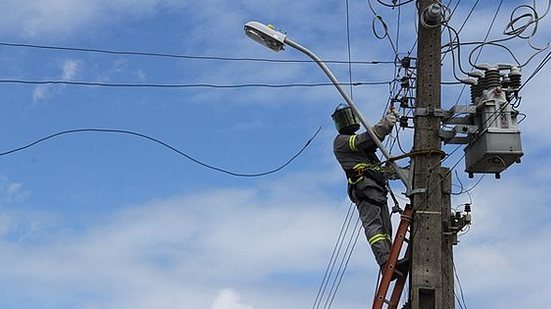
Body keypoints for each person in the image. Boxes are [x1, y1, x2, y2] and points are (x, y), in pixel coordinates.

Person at [331, 104, 402, 274]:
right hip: (364, 188)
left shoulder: (364, 151)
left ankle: (390, 259)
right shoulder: (341, 142)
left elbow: (372, 142)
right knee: (374, 227)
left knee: (385, 228)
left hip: (377, 189)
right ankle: (385, 261)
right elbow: (366, 139)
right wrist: (385, 124)